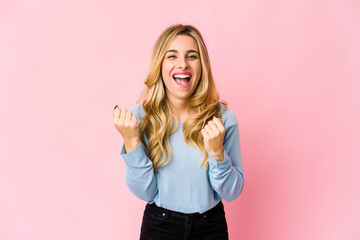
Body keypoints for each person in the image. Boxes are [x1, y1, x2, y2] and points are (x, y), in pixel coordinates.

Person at [112, 24, 244, 240]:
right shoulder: (139, 118)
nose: (183, 64)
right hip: (159, 227)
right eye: (172, 56)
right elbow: (144, 192)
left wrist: (218, 155)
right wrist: (132, 140)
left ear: (202, 65)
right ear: (160, 65)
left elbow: (232, 192)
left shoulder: (223, 119)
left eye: (192, 56)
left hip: (210, 227)